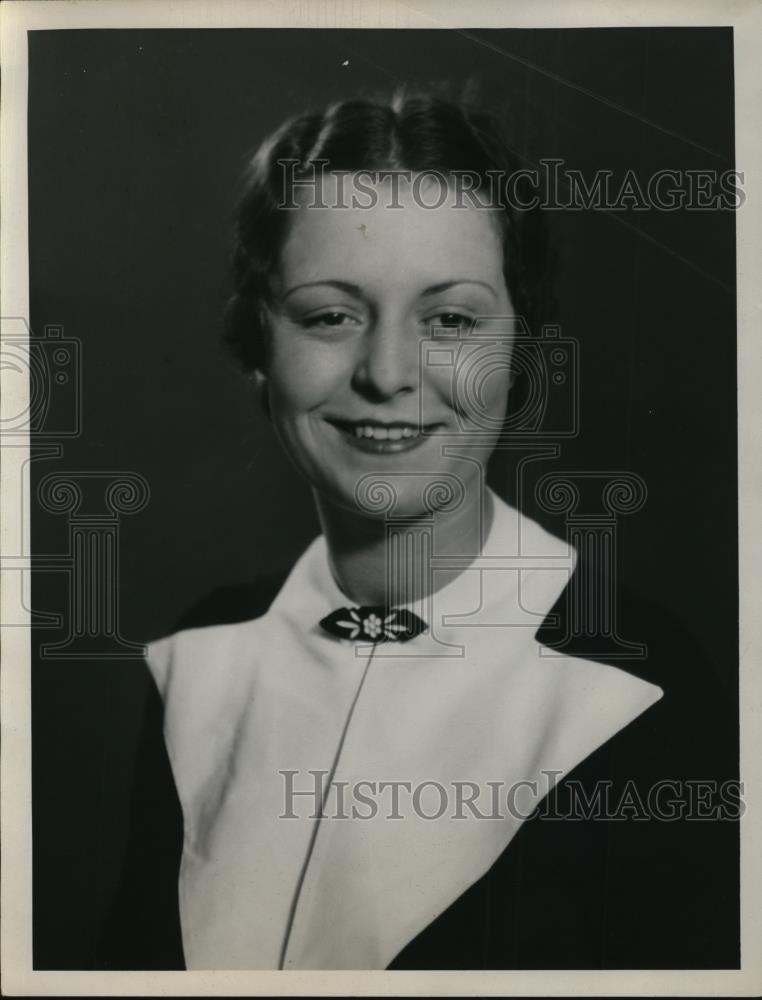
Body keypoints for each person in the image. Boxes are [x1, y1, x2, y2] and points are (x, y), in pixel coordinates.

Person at [98, 91, 739, 971]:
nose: (389, 373)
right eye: (330, 314)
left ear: (521, 349)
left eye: (451, 320)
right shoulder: (204, 657)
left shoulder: (643, 688)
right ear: (258, 341)